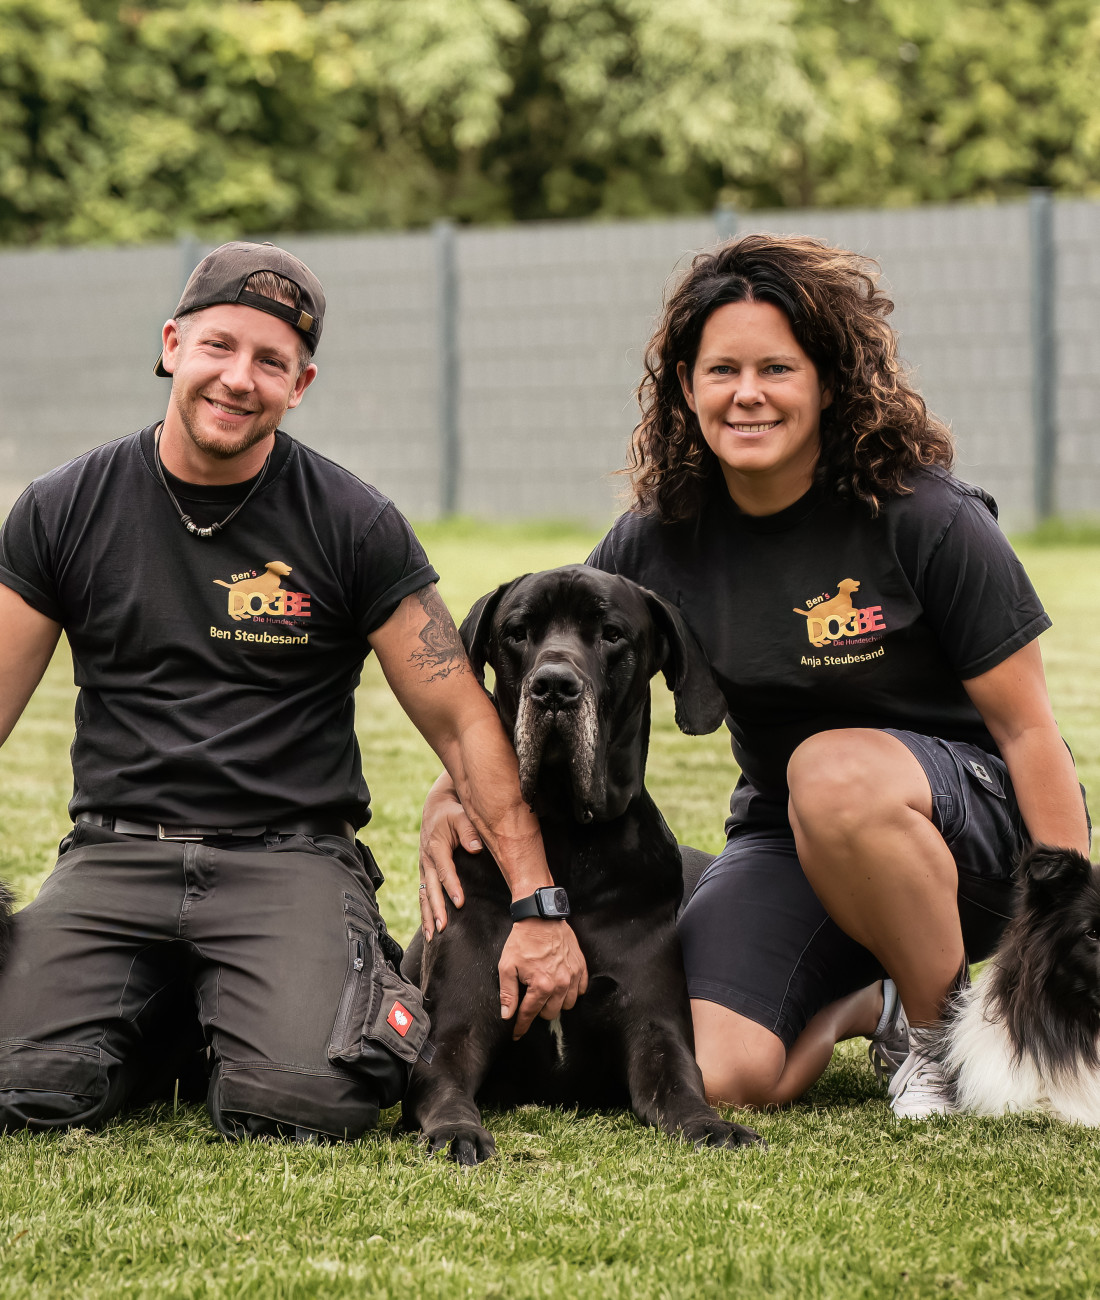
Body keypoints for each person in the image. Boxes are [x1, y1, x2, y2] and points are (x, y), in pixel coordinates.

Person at [419, 233, 1090, 1120]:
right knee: (722, 1072)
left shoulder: (928, 517)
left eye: (777, 367)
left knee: (832, 772)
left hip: (971, 832)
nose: (747, 395)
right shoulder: (657, 541)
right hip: (788, 837)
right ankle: (875, 1001)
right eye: (720, 370)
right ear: (686, 387)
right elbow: (547, 652)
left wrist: (1070, 918)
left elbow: (1028, 731)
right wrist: (453, 786)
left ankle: (937, 1038)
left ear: (826, 379)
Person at [0, 241, 585, 1141]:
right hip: (117, 855)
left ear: (300, 383)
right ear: (171, 344)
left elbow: (467, 724)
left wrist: (540, 905)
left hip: (287, 860)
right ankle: (180, 1008)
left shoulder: (353, 524)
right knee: (24, 1088)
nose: (239, 378)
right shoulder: (62, 507)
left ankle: (262, 1000)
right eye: (218, 347)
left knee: (304, 1102)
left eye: (270, 361)